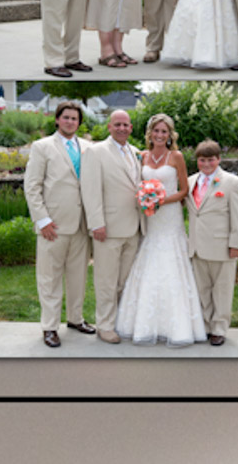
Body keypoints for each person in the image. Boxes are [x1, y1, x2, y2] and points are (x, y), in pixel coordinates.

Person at [115, 114, 206, 347]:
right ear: (150, 133)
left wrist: (161, 201)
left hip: (169, 216)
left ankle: (177, 326)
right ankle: (142, 322)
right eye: (156, 131)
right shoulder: (142, 156)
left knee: (170, 261)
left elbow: (184, 190)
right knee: (150, 256)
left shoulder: (176, 157)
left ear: (170, 135)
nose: (160, 135)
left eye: (164, 131)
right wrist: (146, 199)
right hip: (151, 219)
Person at [23, 102, 95, 348]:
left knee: (78, 277)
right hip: (52, 225)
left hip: (81, 225)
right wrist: (42, 219)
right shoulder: (42, 147)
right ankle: (50, 327)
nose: (70, 122)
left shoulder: (88, 147)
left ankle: (76, 319)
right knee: (49, 279)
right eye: (66, 117)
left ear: (79, 122)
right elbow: (31, 186)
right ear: (57, 120)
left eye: (75, 119)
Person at [80, 109, 146, 344]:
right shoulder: (95, 152)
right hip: (107, 229)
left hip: (134, 227)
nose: (122, 128)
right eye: (117, 124)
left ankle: (119, 321)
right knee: (106, 281)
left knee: (125, 281)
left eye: (126, 125)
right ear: (109, 127)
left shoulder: (136, 152)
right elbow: (90, 190)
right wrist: (96, 223)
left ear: (130, 128)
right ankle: (105, 325)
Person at [185, 140, 238, 346]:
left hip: (222, 246)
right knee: (201, 289)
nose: (206, 164)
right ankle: (204, 326)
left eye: (210, 159)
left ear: (218, 159)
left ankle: (219, 328)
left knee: (222, 290)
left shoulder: (233, 183)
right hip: (196, 246)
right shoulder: (190, 181)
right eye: (202, 160)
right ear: (197, 161)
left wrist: (236, 243)